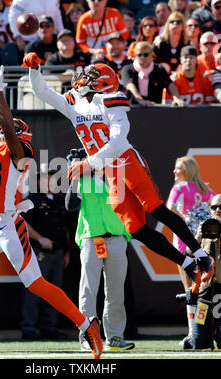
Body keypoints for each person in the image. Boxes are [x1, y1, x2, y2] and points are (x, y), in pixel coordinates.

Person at [0, 65, 102, 360]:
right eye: (0, 129)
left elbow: (10, 130)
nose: (2, 131)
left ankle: (87, 324)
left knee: (36, 284)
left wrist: (0, 92)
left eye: (7, 129)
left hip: (11, 226)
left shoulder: (20, 151)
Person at [23, 52, 215, 305]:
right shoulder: (73, 102)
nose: (83, 78)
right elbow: (42, 92)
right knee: (134, 229)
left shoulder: (112, 100)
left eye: (90, 76)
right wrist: (34, 69)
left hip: (126, 161)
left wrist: (87, 163)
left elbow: (117, 142)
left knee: (154, 208)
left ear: (102, 82)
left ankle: (202, 256)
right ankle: (188, 263)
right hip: (109, 172)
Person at [65, 147, 135, 352]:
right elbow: (70, 205)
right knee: (88, 289)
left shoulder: (115, 175)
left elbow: (125, 201)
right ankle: (87, 336)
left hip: (116, 237)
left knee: (115, 290)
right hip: (91, 237)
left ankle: (114, 336)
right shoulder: (83, 180)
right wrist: (75, 175)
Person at [167, 156, 215, 344]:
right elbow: (215, 207)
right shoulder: (205, 189)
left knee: (189, 289)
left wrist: (185, 218)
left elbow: (170, 207)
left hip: (183, 243)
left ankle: (193, 333)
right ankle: (204, 331)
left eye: (179, 168)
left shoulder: (180, 188)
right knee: (204, 288)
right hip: (203, 245)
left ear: (188, 170)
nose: (175, 172)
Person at [20, 168, 71, 340]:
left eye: (51, 179)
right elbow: (21, 222)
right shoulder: (31, 199)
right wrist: (40, 239)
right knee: (34, 290)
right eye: (45, 179)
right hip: (38, 251)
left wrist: (67, 251)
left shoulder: (59, 199)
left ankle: (49, 327)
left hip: (58, 252)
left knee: (56, 291)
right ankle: (28, 328)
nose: (49, 182)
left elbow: (65, 228)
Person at [181, 194, 221, 349]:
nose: (217, 210)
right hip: (205, 291)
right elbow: (188, 253)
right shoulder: (204, 226)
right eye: (214, 207)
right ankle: (193, 338)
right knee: (199, 344)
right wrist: (197, 237)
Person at [121, 41, 184, 106]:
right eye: (139, 55)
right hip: (134, 108)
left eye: (146, 55)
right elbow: (130, 86)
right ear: (135, 55)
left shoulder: (159, 69)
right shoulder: (128, 69)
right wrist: (141, 101)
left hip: (155, 108)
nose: (142, 57)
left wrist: (176, 98)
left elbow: (170, 84)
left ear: (151, 55)